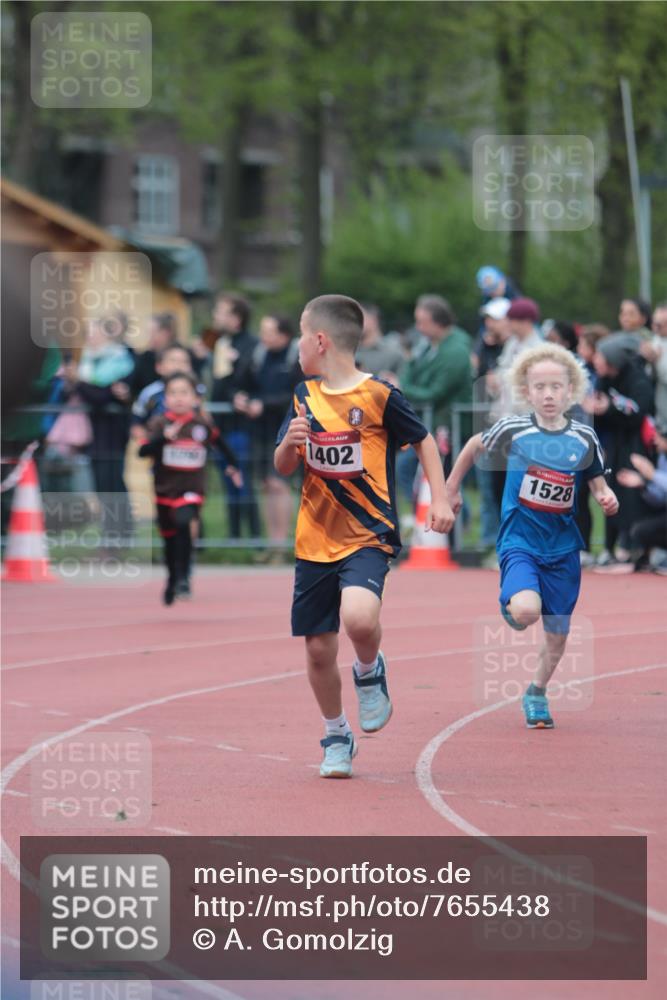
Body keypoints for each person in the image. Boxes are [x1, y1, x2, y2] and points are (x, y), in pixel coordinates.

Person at [274, 294, 454, 778]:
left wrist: (439, 499)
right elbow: (284, 465)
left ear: (320, 340)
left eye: (300, 334)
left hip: (367, 534)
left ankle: (370, 670)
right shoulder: (302, 397)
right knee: (318, 648)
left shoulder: (379, 395)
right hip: (315, 539)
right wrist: (289, 445)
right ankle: (336, 733)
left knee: (357, 617)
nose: (296, 345)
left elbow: (423, 441)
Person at [446, 343, 618, 730]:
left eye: (556, 387)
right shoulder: (514, 428)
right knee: (526, 610)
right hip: (520, 541)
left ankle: (536, 691)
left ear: (571, 390)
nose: (548, 394)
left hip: (563, 548)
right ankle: (513, 603)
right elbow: (474, 446)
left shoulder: (584, 437)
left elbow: (597, 483)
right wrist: (451, 489)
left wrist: (607, 497)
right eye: (540, 387)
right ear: (526, 391)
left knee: (557, 634)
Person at [138, 372, 241, 605]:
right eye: (173, 393)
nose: (179, 398)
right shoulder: (159, 423)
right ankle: (172, 578)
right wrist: (163, 439)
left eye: (184, 393)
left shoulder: (201, 424)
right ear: (165, 398)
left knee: (184, 523)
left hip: (191, 490)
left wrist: (233, 466)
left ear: (195, 398)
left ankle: (184, 577)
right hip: (164, 490)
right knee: (169, 538)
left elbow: (221, 444)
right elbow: (143, 452)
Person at [583, 332, 655, 568]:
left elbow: (639, 412)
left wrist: (610, 409)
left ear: (613, 359)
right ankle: (608, 547)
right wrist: (596, 410)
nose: (596, 360)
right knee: (609, 488)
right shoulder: (604, 380)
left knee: (631, 493)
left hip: (636, 443)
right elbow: (602, 413)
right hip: (614, 442)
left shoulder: (637, 379)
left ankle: (634, 547)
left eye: (600, 356)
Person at [234, 314, 302, 562]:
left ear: (284, 334)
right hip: (260, 430)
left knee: (278, 484)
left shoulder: (296, 356)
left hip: (286, 428)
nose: (263, 336)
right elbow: (241, 383)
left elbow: (298, 392)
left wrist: (264, 404)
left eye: (269, 332)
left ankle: (282, 545)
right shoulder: (257, 355)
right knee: (265, 485)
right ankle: (272, 543)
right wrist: (240, 397)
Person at [397, 295, 472, 501]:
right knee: (420, 473)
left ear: (438, 323)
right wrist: (406, 382)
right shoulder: (428, 346)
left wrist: (403, 389)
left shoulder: (455, 351)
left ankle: (449, 514)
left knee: (442, 477)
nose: (418, 328)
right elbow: (411, 372)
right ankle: (431, 514)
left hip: (447, 426)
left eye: (422, 322)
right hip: (431, 424)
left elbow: (434, 393)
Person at [206, 293, 261, 539]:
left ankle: (255, 539)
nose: (215, 316)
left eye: (221, 312)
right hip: (220, 425)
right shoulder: (218, 343)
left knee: (243, 481)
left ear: (236, 318)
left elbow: (250, 382)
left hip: (242, 426)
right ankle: (234, 537)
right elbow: (216, 384)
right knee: (228, 480)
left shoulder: (252, 345)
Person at [616, 417, 667, 574]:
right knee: (641, 530)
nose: (655, 440)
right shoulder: (663, 458)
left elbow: (656, 477)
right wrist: (642, 484)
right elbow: (660, 499)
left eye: (659, 437)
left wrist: (652, 474)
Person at [131, 344, 204, 441]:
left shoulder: (198, 390)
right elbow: (137, 424)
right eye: (173, 360)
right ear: (159, 367)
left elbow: (204, 418)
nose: (179, 365)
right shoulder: (149, 393)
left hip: (189, 443)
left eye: (184, 361)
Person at [130, 313, 179, 396]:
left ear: (166, 333)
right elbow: (135, 388)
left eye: (152, 332)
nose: (149, 337)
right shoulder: (145, 357)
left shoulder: (180, 354)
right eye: (148, 332)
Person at [355, 304, 404, 383]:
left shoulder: (393, 352)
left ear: (374, 319)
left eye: (359, 318)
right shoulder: (348, 351)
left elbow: (402, 384)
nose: (355, 322)